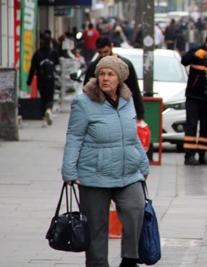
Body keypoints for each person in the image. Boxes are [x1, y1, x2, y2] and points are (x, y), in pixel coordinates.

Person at [62, 56, 149, 267]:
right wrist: (69, 171)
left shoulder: (127, 101)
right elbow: (74, 138)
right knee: (96, 229)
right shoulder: (83, 103)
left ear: (120, 78)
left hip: (128, 172)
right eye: (101, 74)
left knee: (136, 210)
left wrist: (143, 163)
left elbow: (133, 136)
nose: (105, 78)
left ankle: (130, 259)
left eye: (110, 74)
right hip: (94, 175)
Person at [83, 37, 145, 120]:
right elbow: (87, 91)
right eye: (100, 52)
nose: (103, 55)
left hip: (122, 108)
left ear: (111, 47)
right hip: (100, 109)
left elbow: (134, 89)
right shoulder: (93, 67)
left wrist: (140, 115)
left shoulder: (125, 65)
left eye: (105, 52)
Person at [181, 40, 207, 165]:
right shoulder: (198, 51)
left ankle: (203, 154)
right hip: (193, 95)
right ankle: (189, 155)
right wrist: (195, 54)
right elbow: (184, 61)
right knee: (192, 125)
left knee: (205, 127)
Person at [27, 35, 59, 127]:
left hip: (41, 79)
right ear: (50, 43)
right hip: (50, 79)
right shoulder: (53, 53)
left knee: (43, 98)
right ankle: (49, 109)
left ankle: (44, 119)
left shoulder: (37, 54)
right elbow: (57, 65)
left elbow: (32, 69)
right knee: (50, 96)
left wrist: (29, 81)